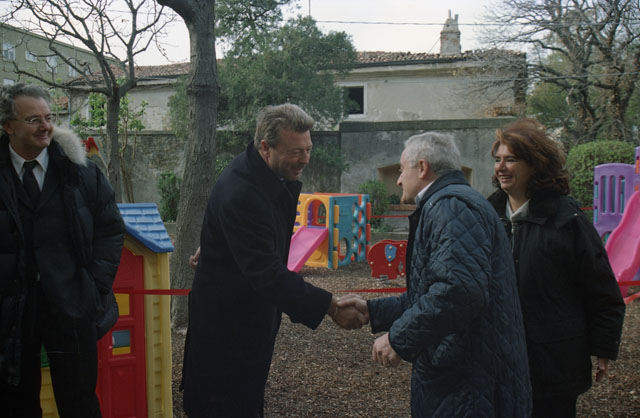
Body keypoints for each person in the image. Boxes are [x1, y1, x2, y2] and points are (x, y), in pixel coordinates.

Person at [181, 103, 368, 417]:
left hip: (246, 328)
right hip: (225, 338)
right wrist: (331, 306)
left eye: (308, 149)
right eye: (295, 152)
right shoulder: (244, 191)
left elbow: (247, 237)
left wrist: (220, 246)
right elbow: (267, 272)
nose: (305, 159)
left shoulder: (261, 174)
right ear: (265, 147)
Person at [340, 131, 532, 417]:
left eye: (402, 170)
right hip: (465, 379)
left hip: (469, 387)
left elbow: (459, 291)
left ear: (422, 167)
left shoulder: (450, 206)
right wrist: (372, 310)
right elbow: (431, 292)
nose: (399, 180)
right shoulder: (451, 203)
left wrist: (399, 338)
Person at [0, 84, 125, 417]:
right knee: (14, 404)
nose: (45, 127)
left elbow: (111, 230)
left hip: (73, 306)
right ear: (8, 126)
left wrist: (93, 286)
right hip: (11, 313)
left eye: (48, 117)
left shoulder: (81, 172)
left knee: (79, 403)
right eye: (33, 120)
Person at [487, 118, 625, 417]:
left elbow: (600, 288)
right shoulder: (487, 217)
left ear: (535, 165)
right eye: (498, 159)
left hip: (552, 364)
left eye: (511, 159)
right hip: (498, 362)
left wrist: (603, 347)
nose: (501, 168)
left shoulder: (567, 220)